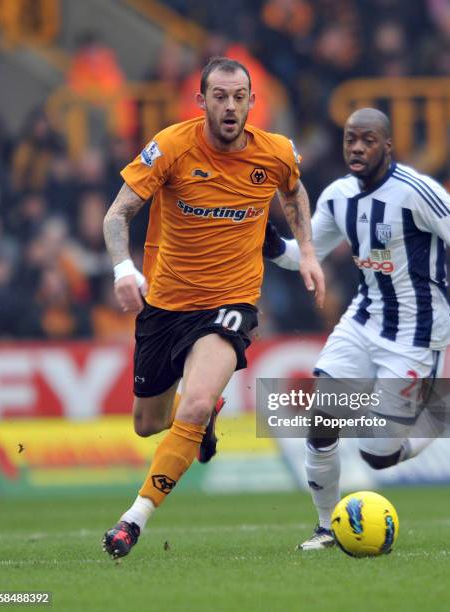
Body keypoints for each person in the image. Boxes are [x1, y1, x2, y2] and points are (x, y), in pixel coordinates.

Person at [101, 57, 325, 559]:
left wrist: (306, 251)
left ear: (251, 101)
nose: (230, 105)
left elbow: (294, 192)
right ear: (201, 101)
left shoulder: (276, 152)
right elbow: (118, 215)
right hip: (165, 303)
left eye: (239, 96)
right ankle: (200, 422)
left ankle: (131, 522)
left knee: (197, 400)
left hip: (230, 303)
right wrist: (122, 269)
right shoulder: (173, 146)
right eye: (219, 96)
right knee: (149, 423)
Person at [263, 107, 450, 550]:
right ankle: (326, 527)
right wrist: (271, 243)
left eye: (368, 140)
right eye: (351, 139)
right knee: (322, 416)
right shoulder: (337, 196)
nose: (357, 147)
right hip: (364, 318)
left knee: (378, 454)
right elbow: (304, 254)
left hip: (416, 336)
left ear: (387, 146)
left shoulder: (416, 191)